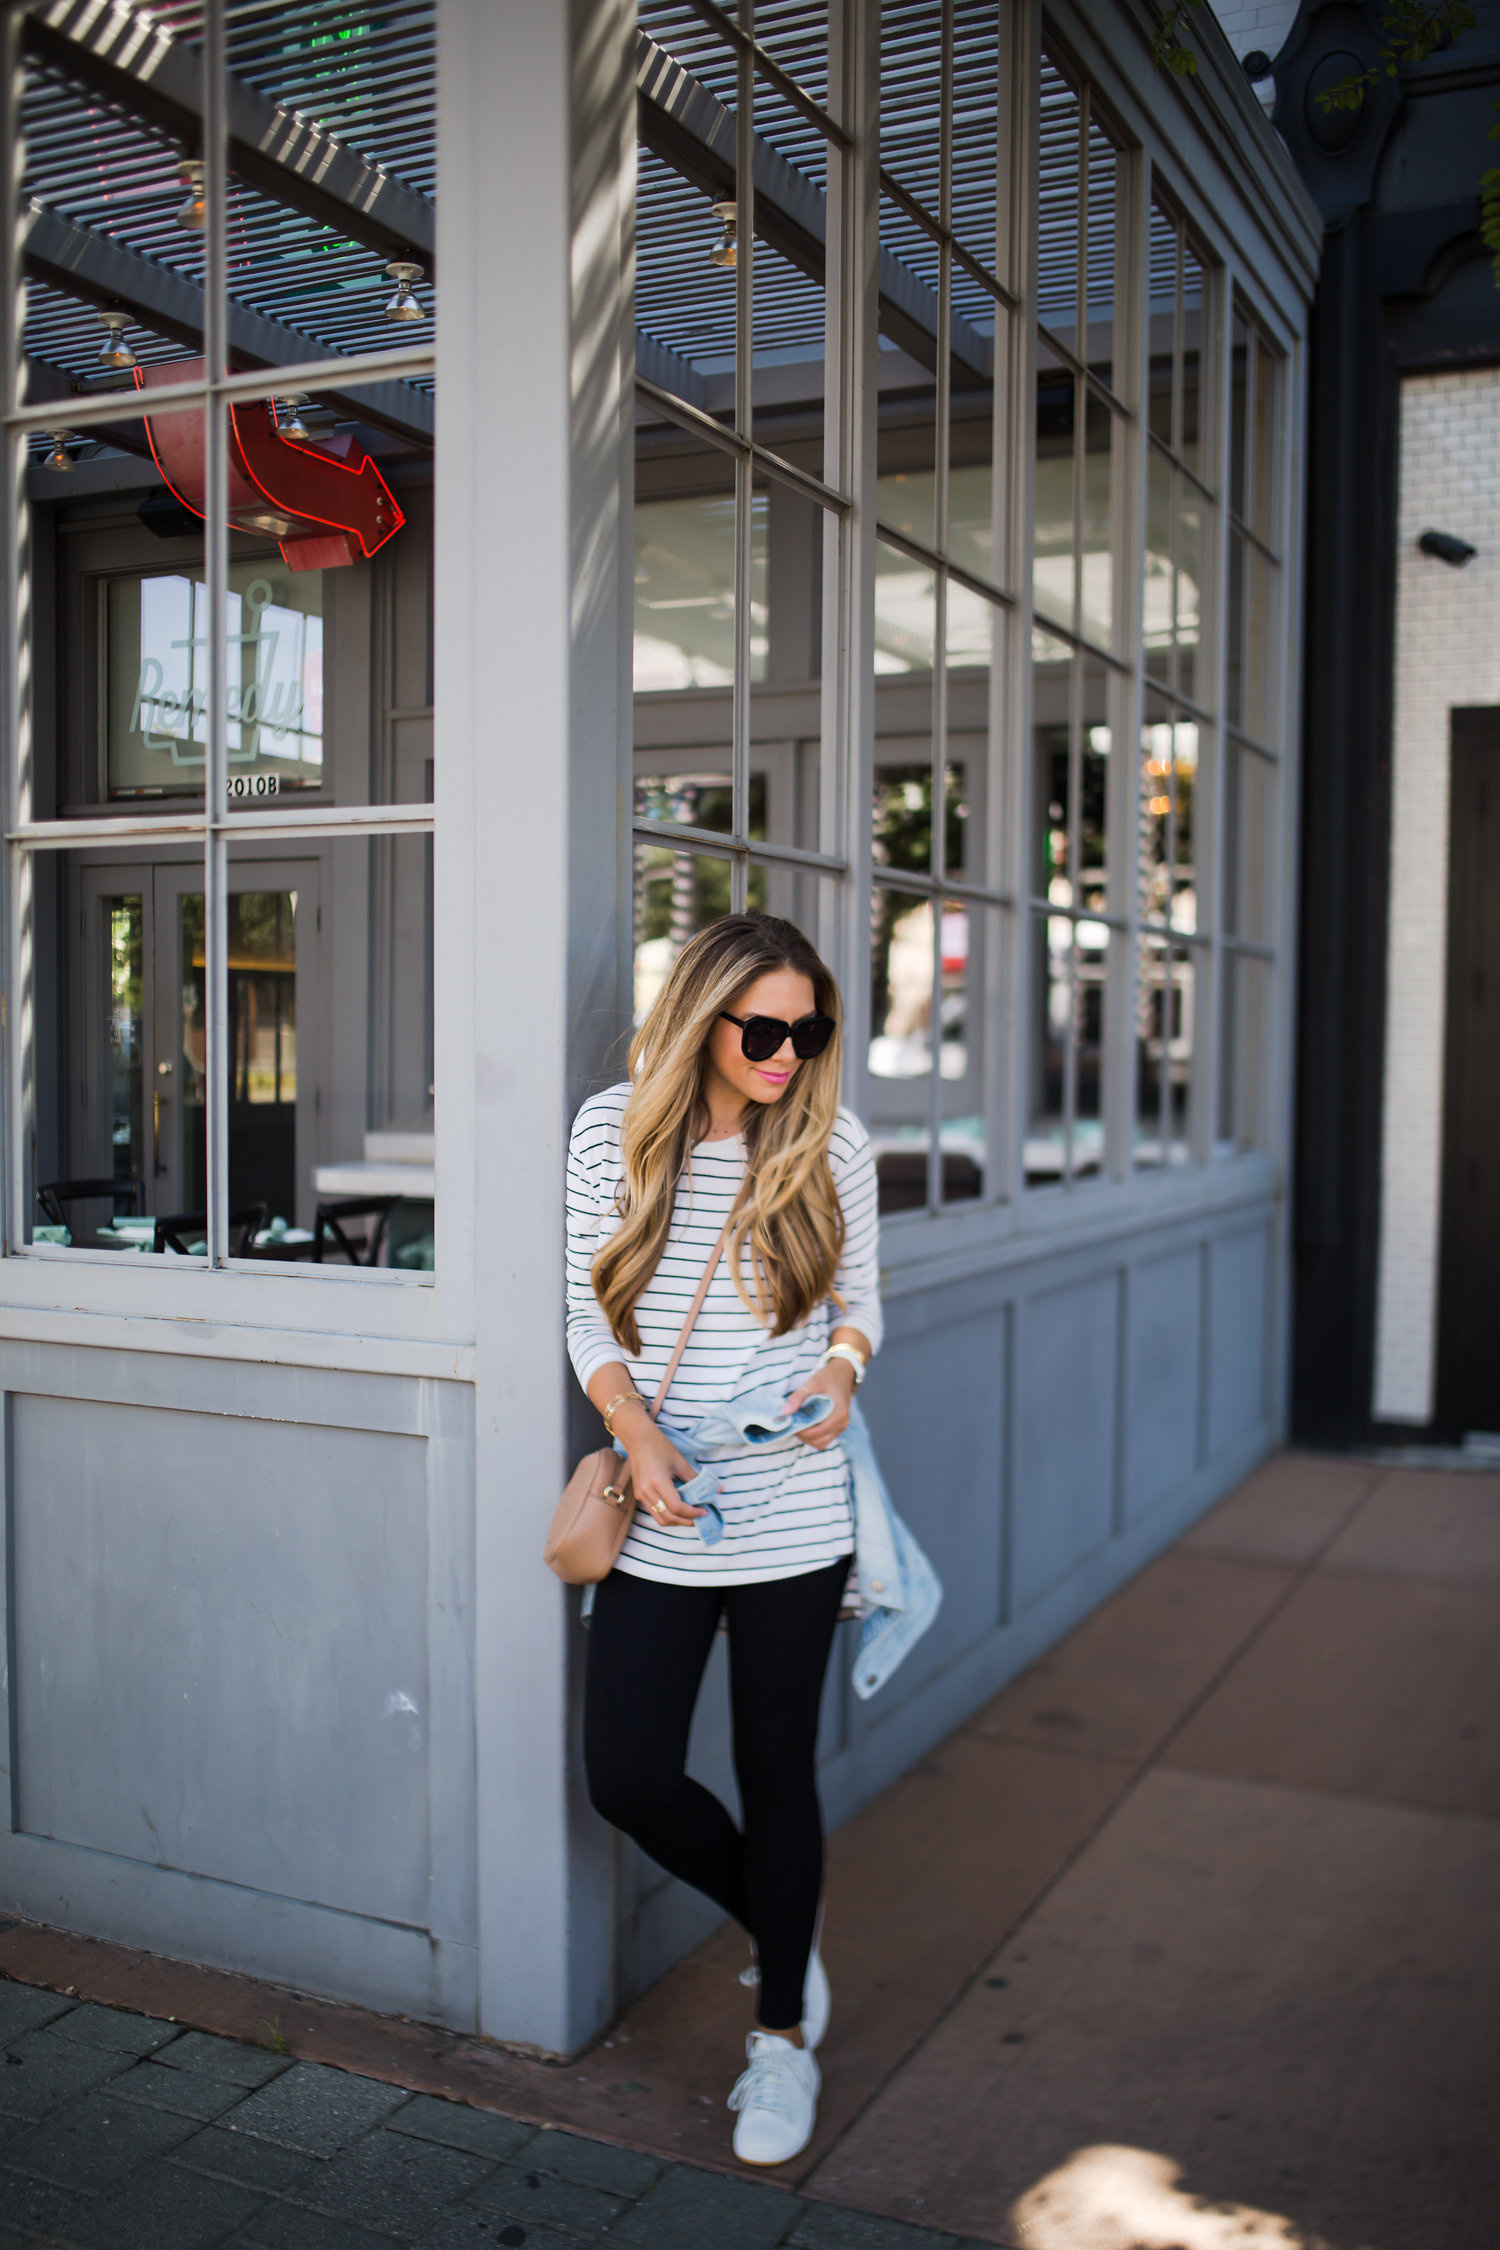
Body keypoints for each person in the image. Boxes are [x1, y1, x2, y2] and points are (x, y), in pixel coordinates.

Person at [565, 911, 881, 2167]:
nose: (788, 1053)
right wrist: (636, 1436)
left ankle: (781, 2038)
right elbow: (585, 1309)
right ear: (703, 1017)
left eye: (810, 1031)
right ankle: (793, 1947)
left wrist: (845, 1374)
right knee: (628, 1773)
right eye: (765, 1028)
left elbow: (862, 1306)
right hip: (661, 1501)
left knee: (778, 1771)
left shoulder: (831, 1139)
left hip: (795, 1508)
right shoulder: (612, 1130)